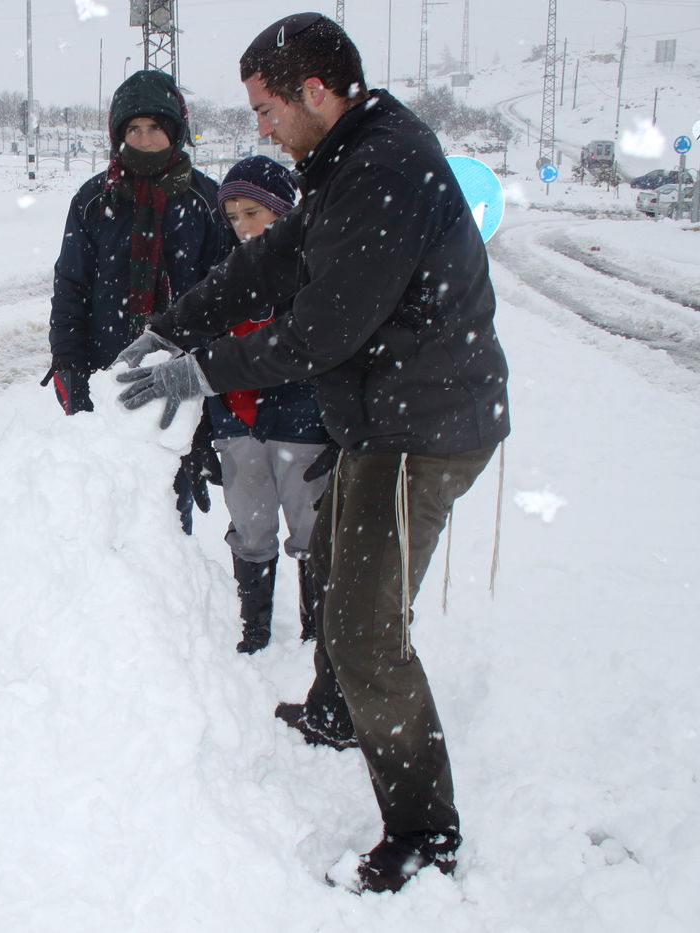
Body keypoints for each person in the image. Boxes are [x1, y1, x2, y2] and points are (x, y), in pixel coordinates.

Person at [115, 13, 509, 893]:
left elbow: (318, 331)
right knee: (333, 560)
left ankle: (423, 832)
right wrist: (165, 331)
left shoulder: (383, 171)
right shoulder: (344, 160)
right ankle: (338, 709)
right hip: (386, 413)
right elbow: (268, 266)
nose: (258, 125)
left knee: (369, 626)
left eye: (265, 108)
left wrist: (195, 374)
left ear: (316, 93)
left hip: (422, 428)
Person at [44, 69, 228, 531]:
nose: (145, 140)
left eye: (155, 128)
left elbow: (224, 298)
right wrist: (69, 362)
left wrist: (208, 383)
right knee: (99, 506)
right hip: (106, 375)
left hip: (178, 381)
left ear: (176, 131)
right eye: (133, 129)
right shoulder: (93, 201)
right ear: (117, 134)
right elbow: (71, 287)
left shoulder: (207, 202)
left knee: (165, 513)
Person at [205, 156, 331, 654]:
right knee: (250, 526)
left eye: (253, 212)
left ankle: (316, 632)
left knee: (312, 530)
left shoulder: (314, 270)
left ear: (284, 211)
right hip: (238, 427)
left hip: (302, 428)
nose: (242, 226)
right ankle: (253, 630)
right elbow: (209, 350)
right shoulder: (225, 274)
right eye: (233, 215)